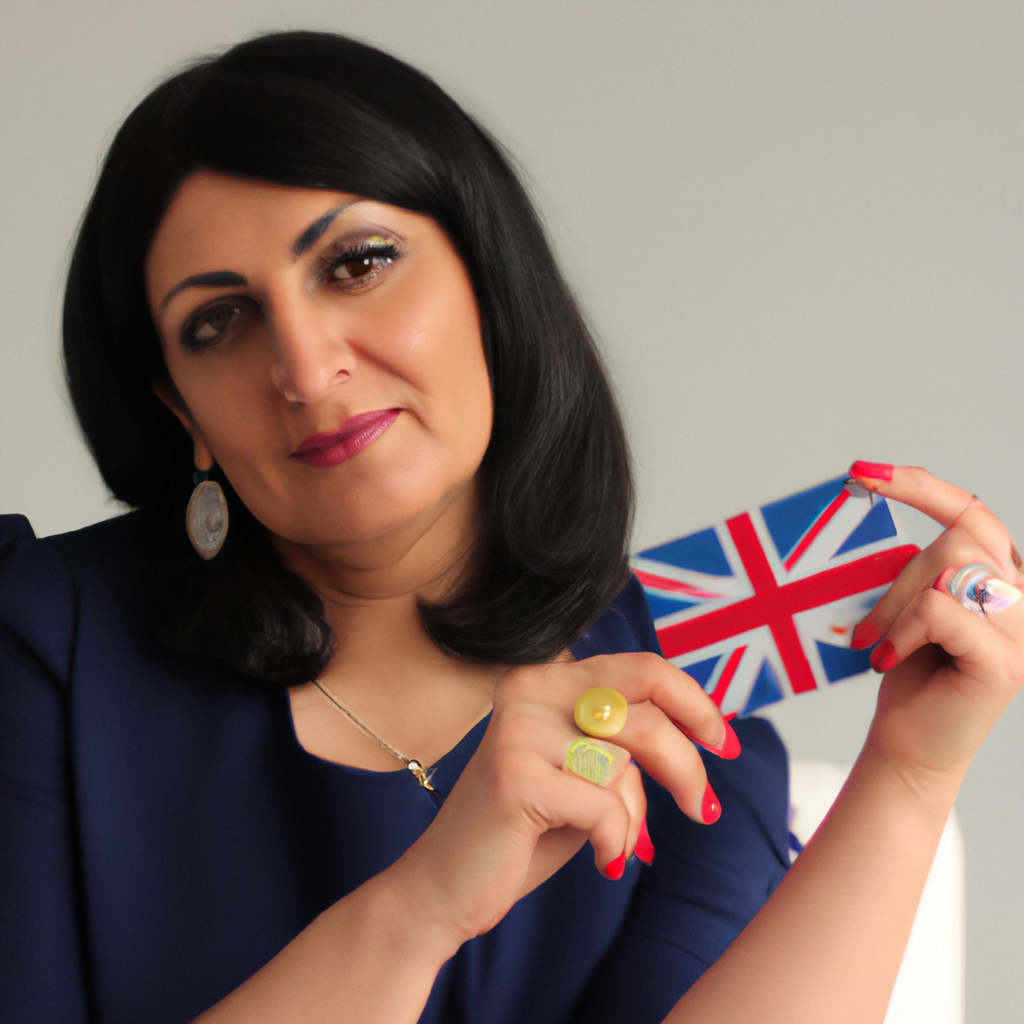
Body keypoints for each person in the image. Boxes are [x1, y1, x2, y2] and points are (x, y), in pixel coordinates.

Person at [0, 30, 1020, 1024]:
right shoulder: (42, 644)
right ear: (181, 410)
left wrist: (912, 773)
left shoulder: (679, 702)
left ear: (490, 285)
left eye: (356, 263)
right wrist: (420, 908)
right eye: (218, 322)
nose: (306, 370)